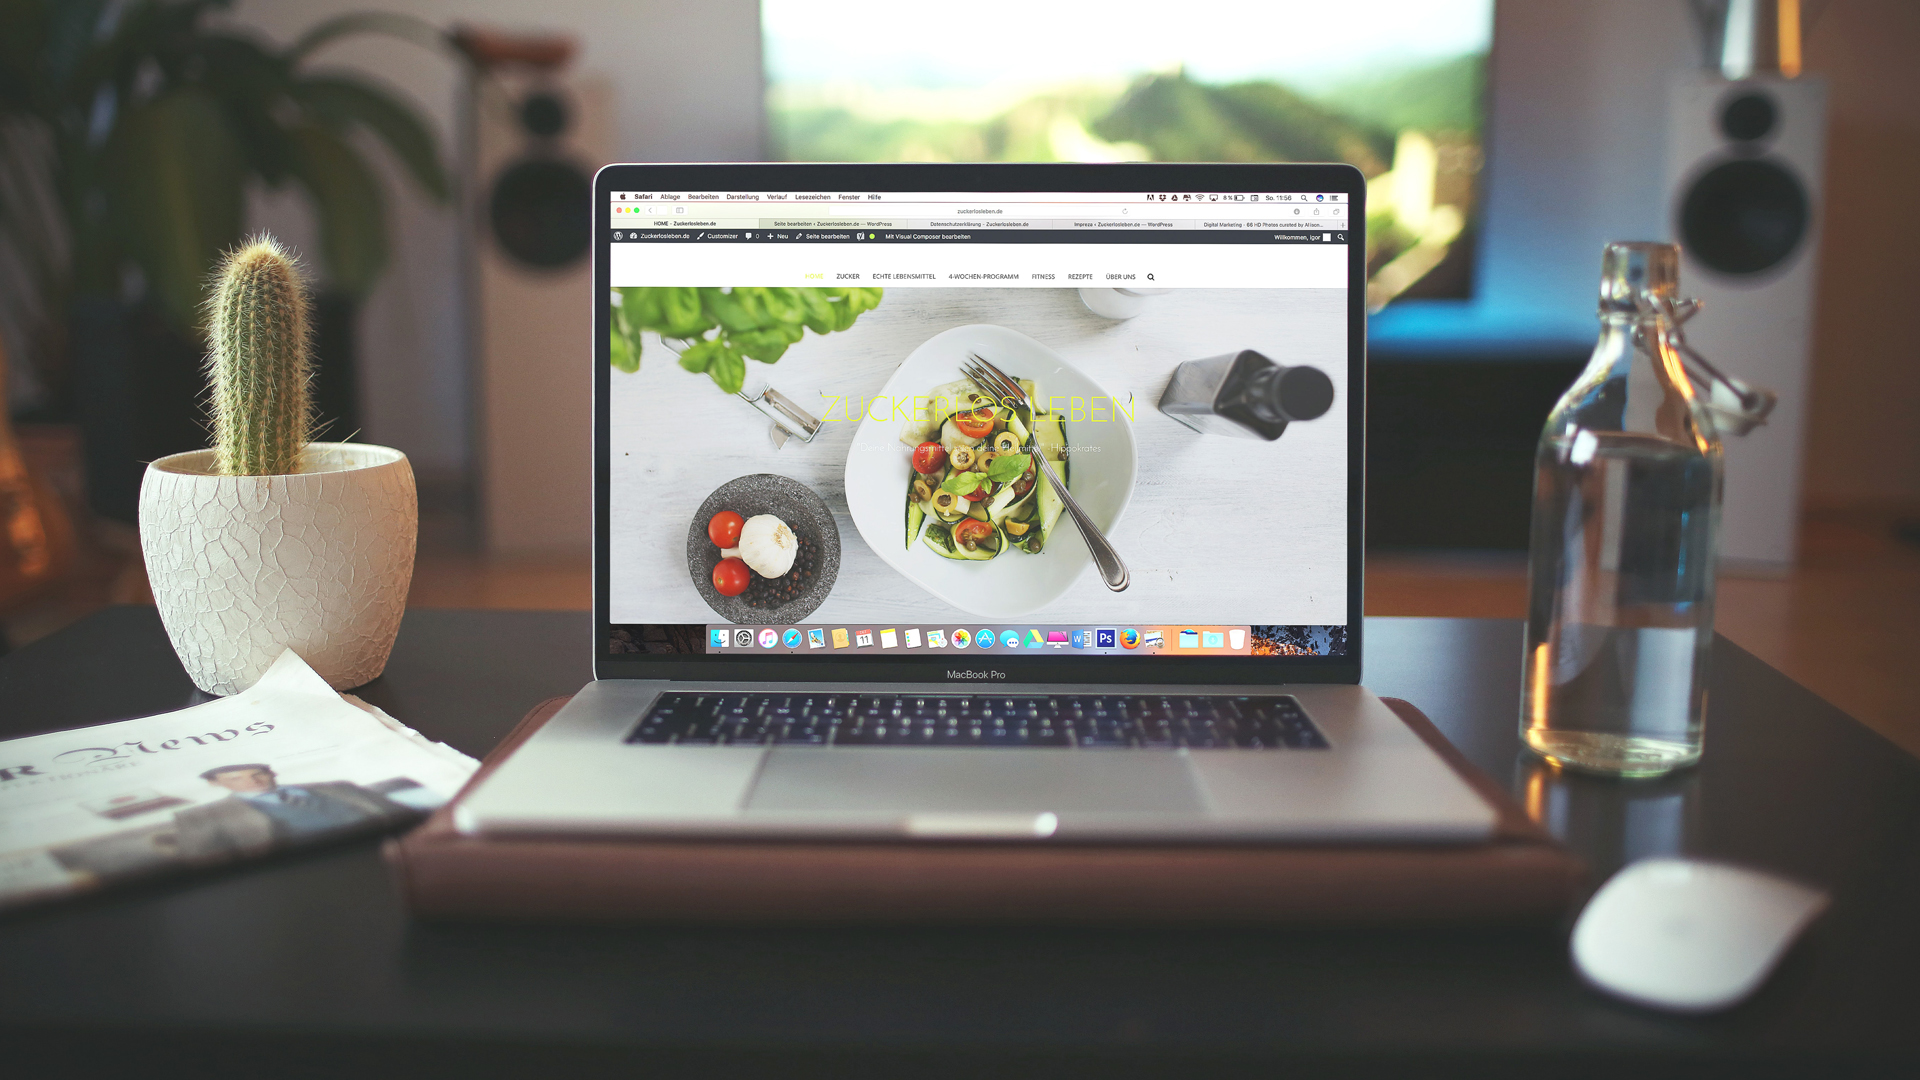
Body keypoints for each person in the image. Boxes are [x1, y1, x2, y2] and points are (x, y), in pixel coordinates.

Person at [172, 764, 415, 861]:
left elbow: (403, 814)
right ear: (217, 784)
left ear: (271, 773)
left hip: (391, 850)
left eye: (258, 774)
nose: (254, 782)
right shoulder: (199, 817)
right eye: (237, 778)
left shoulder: (337, 786)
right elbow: (202, 861)